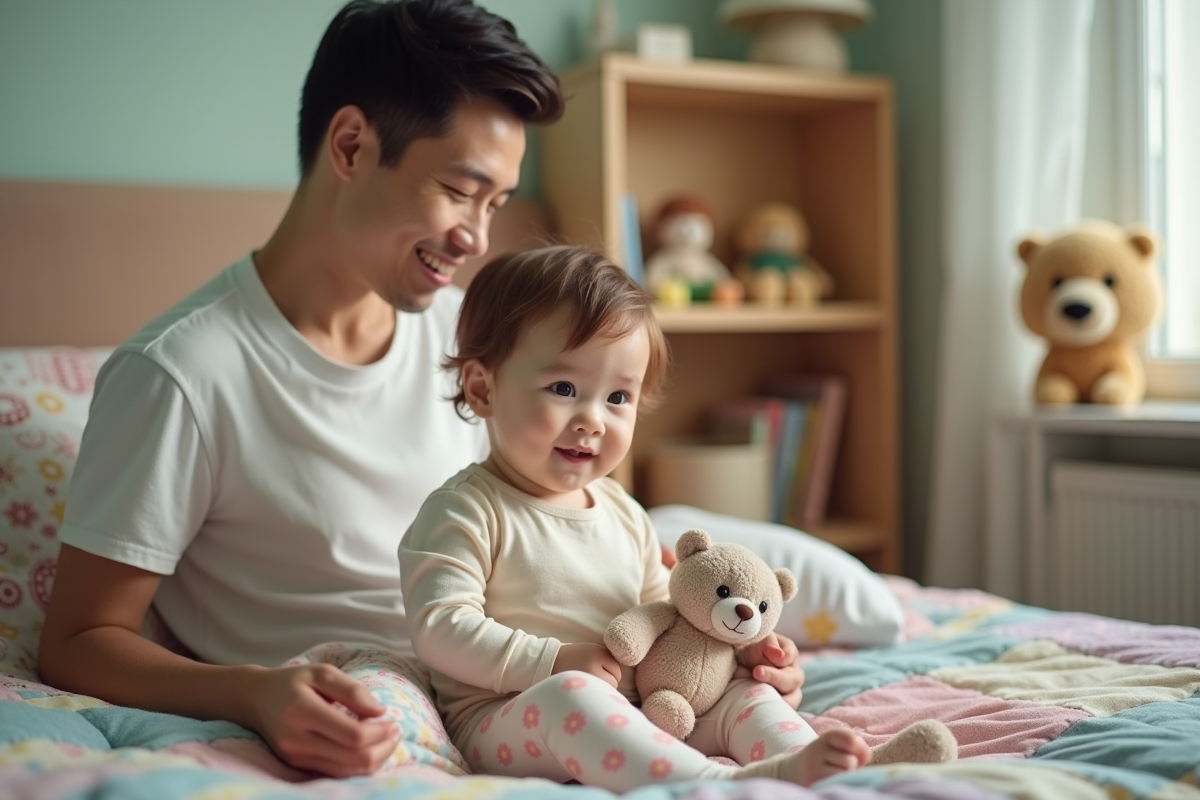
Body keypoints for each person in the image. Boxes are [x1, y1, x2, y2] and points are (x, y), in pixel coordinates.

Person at [37, 0, 806, 780]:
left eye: (497, 204)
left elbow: (579, 531)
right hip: (394, 700)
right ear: (350, 146)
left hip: (554, 673)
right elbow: (76, 642)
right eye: (458, 189)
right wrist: (253, 694)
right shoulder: (182, 373)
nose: (477, 237)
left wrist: (708, 651)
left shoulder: (484, 338)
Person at [399, 246, 872, 791]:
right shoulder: (466, 509)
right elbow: (439, 628)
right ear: (484, 389)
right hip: (509, 720)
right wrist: (550, 662)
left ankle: (812, 764)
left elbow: (672, 616)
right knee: (572, 699)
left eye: (618, 396)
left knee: (747, 696)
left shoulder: (623, 512)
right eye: (564, 389)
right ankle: (707, 785)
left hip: (651, 705)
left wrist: (741, 655)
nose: (593, 420)